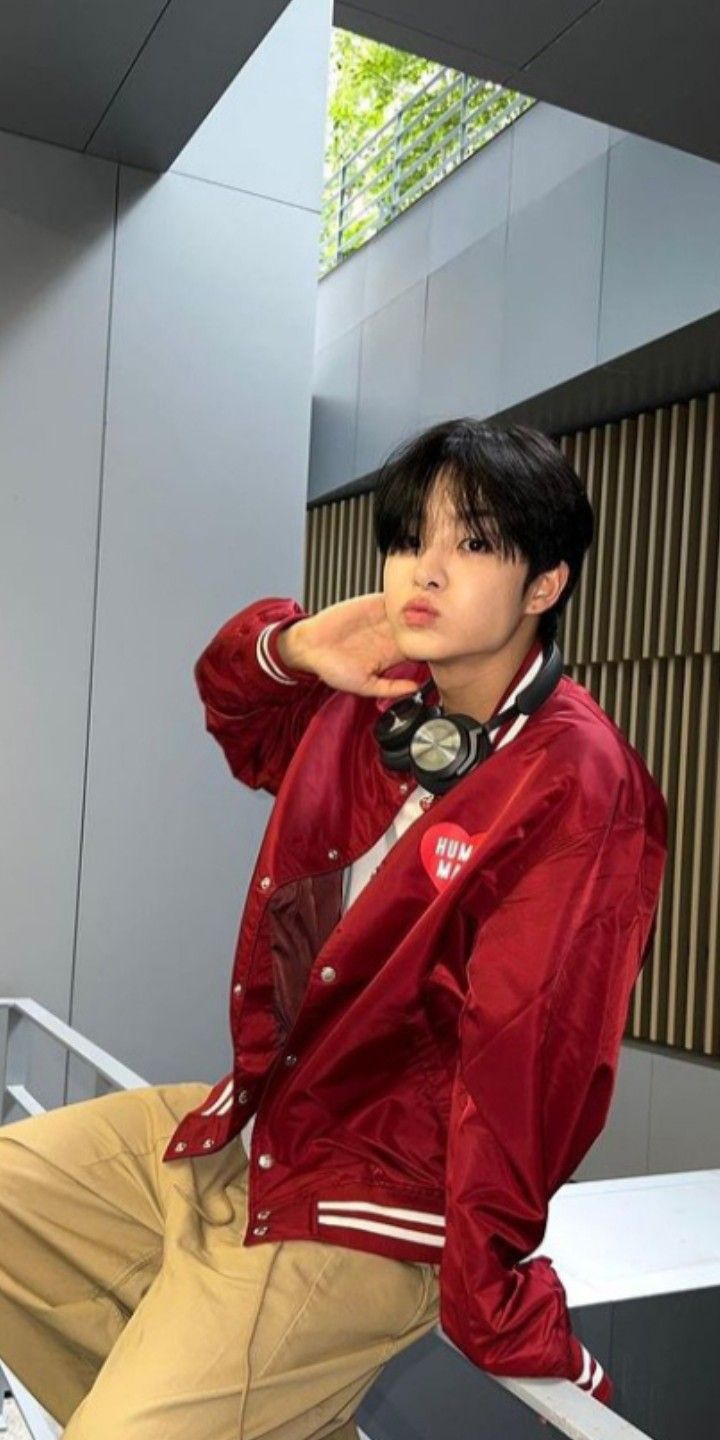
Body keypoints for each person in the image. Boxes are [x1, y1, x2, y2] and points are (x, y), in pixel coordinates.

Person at [0, 419, 668, 1438]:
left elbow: (532, 1052)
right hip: (249, 1132)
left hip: (369, 1207)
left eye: (475, 544)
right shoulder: (377, 700)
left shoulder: (582, 783)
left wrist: (489, 1288)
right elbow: (239, 713)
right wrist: (297, 643)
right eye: (408, 541)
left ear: (546, 585)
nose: (424, 572)